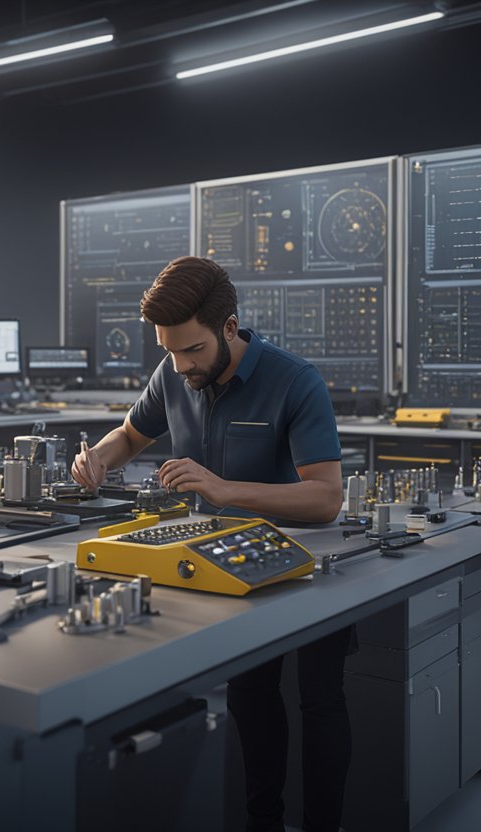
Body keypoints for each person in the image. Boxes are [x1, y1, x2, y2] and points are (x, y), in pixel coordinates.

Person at [71, 256, 352, 832]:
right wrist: (98, 458)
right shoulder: (173, 372)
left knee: (319, 700)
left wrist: (224, 490)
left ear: (229, 327)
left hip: (307, 565)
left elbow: (325, 497)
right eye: (169, 352)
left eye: (192, 350)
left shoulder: (296, 380)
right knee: (251, 696)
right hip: (231, 569)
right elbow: (130, 434)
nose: (180, 366)